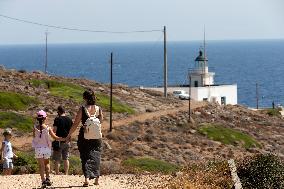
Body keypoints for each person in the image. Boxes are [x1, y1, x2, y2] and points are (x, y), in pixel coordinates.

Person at [67, 89, 103, 187]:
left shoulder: (82, 109)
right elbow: (101, 121)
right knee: (96, 156)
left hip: (84, 136)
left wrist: (69, 134)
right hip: (96, 137)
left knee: (85, 156)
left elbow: (75, 124)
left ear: (84, 98)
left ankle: (86, 179)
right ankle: (96, 179)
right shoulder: (98, 109)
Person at [32, 110, 65, 187]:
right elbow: (55, 137)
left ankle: (43, 181)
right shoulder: (48, 128)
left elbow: (34, 137)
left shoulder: (34, 128)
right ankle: (48, 179)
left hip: (38, 148)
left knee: (41, 165)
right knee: (47, 163)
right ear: (45, 118)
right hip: (46, 148)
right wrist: (64, 138)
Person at [52, 106, 73, 175]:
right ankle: (66, 173)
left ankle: (57, 173)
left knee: (57, 158)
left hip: (59, 141)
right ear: (64, 111)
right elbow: (71, 130)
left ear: (59, 111)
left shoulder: (57, 119)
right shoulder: (69, 119)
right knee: (66, 158)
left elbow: (54, 130)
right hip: (67, 141)